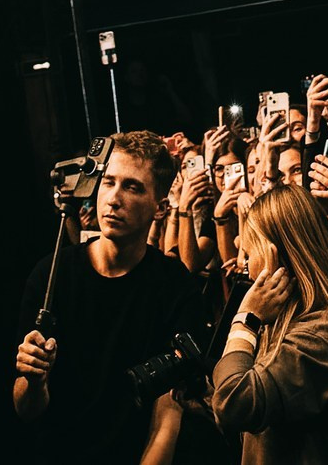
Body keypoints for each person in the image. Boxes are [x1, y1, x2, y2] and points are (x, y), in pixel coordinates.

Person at [13, 132, 205, 464]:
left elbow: (167, 417)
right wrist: (34, 381)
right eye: (108, 182)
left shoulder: (175, 288)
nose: (113, 198)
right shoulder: (51, 274)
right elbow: (26, 409)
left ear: (160, 208)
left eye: (132, 187)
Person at [208, 183, 328, 465]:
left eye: (250, 254)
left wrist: (246, 319)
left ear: (279, 256)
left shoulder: (316, 339)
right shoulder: (303, 323)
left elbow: (232, 405)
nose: (246, 268)